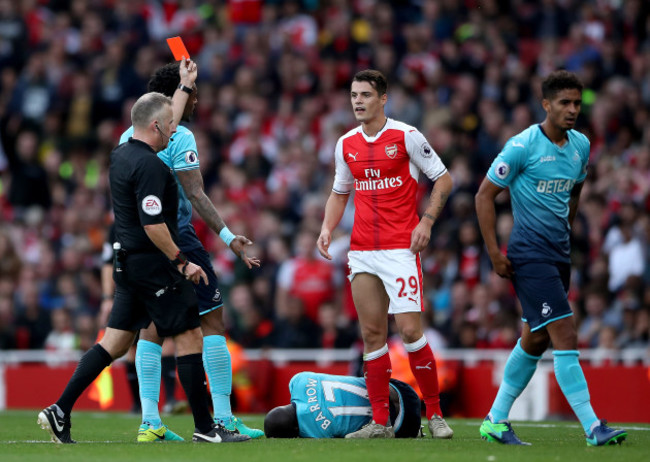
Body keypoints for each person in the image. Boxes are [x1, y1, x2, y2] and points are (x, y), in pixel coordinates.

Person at [37, 91, 233, 444]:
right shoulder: (152, 166)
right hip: (154, 267)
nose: (174, 131)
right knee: (190, 335)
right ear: (156, 125)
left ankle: (60, 409)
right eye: (171, 125)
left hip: (126, 265)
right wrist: (183, 262)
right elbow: (154, 224)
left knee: (113, 343)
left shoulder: (119, 156)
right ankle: (207, 429)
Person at [474, 70, 627, 447]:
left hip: (558, 255)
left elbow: (574, 191)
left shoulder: (581, 146)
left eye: (577, 103)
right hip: (528, 254)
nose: (573, 110)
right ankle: (593, 427)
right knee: (565, 332)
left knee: (536, 338)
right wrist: (495, 253)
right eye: (564, 103)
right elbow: (483, 196)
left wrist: (568, 229)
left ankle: (494, 419)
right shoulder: (522, 146)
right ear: (546, 104)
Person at [119, 60, 262, 441]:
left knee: (150, 330)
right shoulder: (179, 136)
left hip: (140, 243)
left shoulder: (127, 138)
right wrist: (230, 237)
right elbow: (196, 193)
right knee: (212, 323)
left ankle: (150, 422)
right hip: (178, 238)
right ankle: (224, 419)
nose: (197, 101)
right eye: (192, 93)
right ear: (180, 94)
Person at [316, 69, 454, 439]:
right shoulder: (346, 143)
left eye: (364, 94)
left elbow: (444, 179)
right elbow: (340, 192)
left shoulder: (407, 136)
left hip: (400, 250)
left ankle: (436, 414)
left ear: (382, 98)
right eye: (353, 95)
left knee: (410, 331)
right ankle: (379, 423)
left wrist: (425, 221)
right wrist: (328, 227)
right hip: (362, 251)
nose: (357, 101)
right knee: (372, 335)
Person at [264, 371, 423, 439]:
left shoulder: (313, 432)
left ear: (294, 430)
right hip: (400, 389)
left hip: (403, 424)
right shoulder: (299, 380)